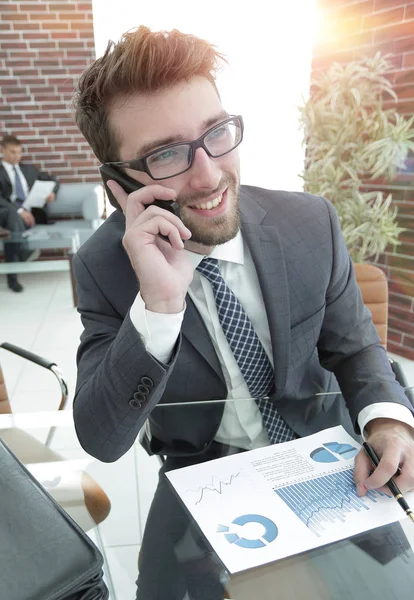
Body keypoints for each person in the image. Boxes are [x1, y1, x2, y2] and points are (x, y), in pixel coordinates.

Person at [71, 27, 414, 599]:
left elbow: (355, 349)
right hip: (200, 475)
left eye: (217, 133)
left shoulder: (310, 223)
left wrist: (388, 420)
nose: (208, 176)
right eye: (164, 155)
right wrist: (159, 306)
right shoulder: (103, 266)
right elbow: (103, 438)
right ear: (119, 186)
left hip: (325, 460)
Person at [0, 135, 60, 292]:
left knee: (14, 227)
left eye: (19, 152)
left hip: (31, 213)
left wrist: (52, 192)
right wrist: (19, 211)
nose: (17, 156)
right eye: (12, 152)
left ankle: (19, 260)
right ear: (2, 150)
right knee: (13, 217)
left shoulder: (29, 170)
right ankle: (22, 255)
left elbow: (53, 179)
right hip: (5, 212)